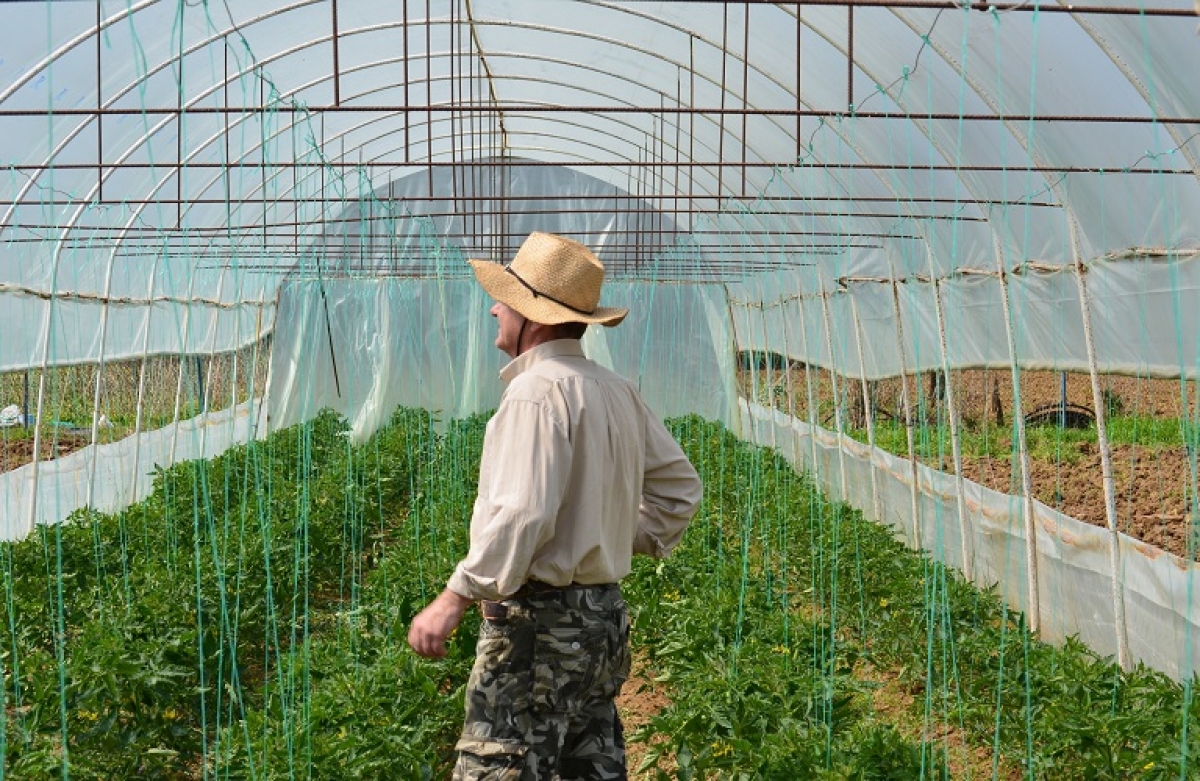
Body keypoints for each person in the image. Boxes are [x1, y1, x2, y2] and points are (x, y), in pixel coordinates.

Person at [408, 231, 703, 778]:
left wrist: (454, 598)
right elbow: (680, 490)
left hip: (537, 629)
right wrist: (609, 531)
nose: (494, 308)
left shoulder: (535, 393)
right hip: (602, 620)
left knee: (503, 759)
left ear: (534, 318)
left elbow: (522, 513)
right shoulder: (615, 389)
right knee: (587, 758)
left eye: (506, 300)